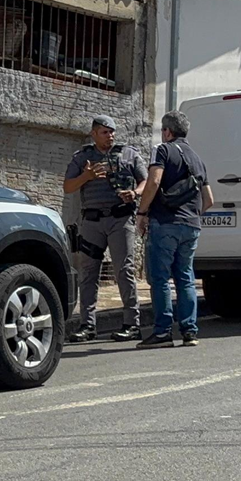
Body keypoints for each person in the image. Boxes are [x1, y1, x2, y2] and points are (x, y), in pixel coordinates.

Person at [62, 115, 147, 341]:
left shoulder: (129, 154)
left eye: (112, 132)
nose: (110, 136)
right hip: (92, 222)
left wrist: (135, 193)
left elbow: (146, 181)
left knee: (124, 271)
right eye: (105, 132)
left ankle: (131, 323)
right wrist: (87, 176)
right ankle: (87, 325)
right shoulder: (82, 157)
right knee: (88, 273)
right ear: (94, 134)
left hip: (121, 220)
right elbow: (68, 187)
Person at [135, 110, 213, 348]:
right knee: (186, 278)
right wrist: (192, 215)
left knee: (160, 279)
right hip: (191, 226)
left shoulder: (162, 150)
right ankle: (190, 331)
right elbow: (209, 199)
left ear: (167, 131)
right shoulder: (197, 159)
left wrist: (142, 212)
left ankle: (162, 332)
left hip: (165, 223)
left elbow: (154, 181)